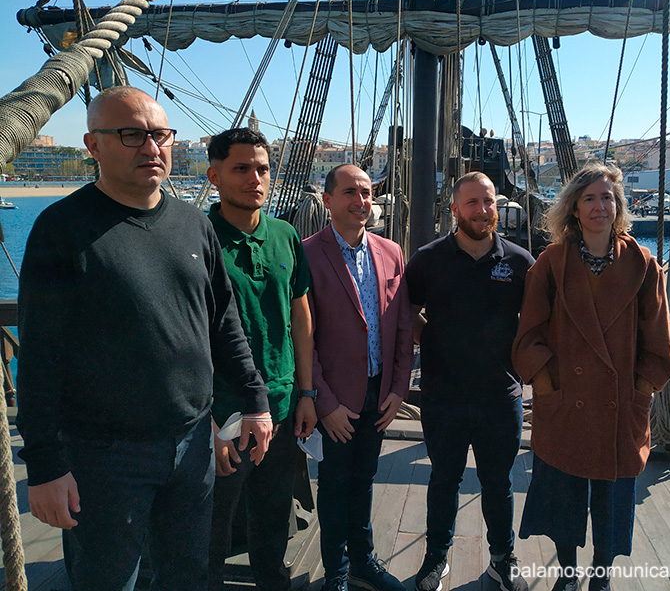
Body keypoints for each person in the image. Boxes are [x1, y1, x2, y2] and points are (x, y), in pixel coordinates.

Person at [15, 87, 272, 591]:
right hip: (103, 454)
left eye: (160, 135)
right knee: (108, 580)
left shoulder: (193, 224)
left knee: (187, 575)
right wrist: (44, 464)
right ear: (93, 145)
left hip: (192, 442)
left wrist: (255, 398)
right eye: (131, 135)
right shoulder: (61, 229)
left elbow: (223, 322)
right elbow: (41, 354)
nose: (151, 147)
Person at [512, 162, 670, 591]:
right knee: (565, 500)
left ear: (618, 205)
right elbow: (528, 335)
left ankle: (601, 575)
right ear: (574, 209)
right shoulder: (552, 262)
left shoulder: (642, 265)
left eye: (607, 198)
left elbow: (659, 347)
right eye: (589, 198)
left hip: (619, 407)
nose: (599, 206)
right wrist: (548, 386)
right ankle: (568, 574)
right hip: (567, 402)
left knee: (612, 503)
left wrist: (640, 392)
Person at [405, 171, 534, 591]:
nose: (483, 210)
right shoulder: (428, 259)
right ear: (455, 208)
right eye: (473, 203)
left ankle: (502, 557)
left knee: (499, 482)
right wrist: (434, 339)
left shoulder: (518, 262)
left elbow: (538, 323)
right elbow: (406, 312)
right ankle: (436, 558)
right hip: (444, 396)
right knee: (444, 478)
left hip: (500, 396)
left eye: (489, 202)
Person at [205, 128, 317, 591]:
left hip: (283, 403)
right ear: (214, 176)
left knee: (273, 516)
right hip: (223, 410)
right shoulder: (199, 236)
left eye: (263, 169)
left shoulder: (286, 235)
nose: (256, 178)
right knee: (212, 525)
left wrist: (307, 391)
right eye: (242, 168)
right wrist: (206, 423)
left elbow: (301, 317)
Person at [303, 164, 413, 591]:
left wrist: (399, 388)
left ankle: (363, 559)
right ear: (328, 200)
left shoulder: (391, 251)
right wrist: (322, 401)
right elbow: (303, 335)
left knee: (365, 477)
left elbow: (402, 326)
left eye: (366, 193)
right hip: (335, 397)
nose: (361, 201)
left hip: (378, 391)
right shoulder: (308, 253)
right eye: (350, 192)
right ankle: (336, 570)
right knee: (333, 484)